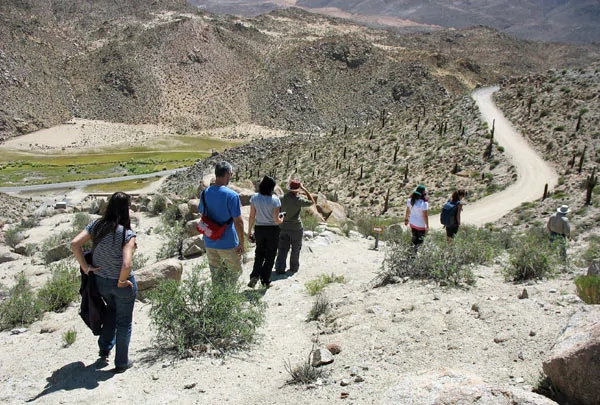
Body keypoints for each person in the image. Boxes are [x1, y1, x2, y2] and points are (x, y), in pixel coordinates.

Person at [71, 191, 137, 373]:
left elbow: (75, 244)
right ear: (126, 210)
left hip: (101, 281)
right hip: (121, 285)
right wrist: (123, 281)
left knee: (111, 311)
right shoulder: (127, 234)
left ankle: (104, 347)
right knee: (124, 322)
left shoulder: (96, 226)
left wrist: (86, 267)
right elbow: (127, 263)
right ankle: (121, 362)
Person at [199, 161, 245, 286]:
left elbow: (202, 214)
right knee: (235, 273)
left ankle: (219, 302)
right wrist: (241, 243)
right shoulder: (232, 195)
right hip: (228, 243)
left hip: (210, 242)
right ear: (226, 174)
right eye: (230, 174)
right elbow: (239, 222)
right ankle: (229, 300)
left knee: (217, 277)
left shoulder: (204, 194)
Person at [247, 176, 283, 288]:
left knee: (259, 253)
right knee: (270, 255)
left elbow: (252, 216)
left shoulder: (254, 198)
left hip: (259, 229)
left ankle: (254, 275)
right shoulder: (275, 200)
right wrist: (282, 219)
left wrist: (249, 232)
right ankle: (265, 280)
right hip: (272, 229)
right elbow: (277, 220)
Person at [274, 180, 316, 274]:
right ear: (298, 190)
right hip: (296, 227)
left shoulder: (281, 198)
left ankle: (280, 268)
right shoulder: (299, 200)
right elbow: (312, 202)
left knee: (282, 248)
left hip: (283, 226)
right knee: (295, 248)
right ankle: (293, 268)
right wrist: (305, 189)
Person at [404, 185, 429, 249]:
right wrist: (427, 225)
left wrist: (406, 219)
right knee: (420, 241)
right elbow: (425, 216)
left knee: (414, 238)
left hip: (412, 223)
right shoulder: (424, 203)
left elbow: (407, 211)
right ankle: (415, 254)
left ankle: (411, 253)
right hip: (420, 224)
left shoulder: (410, 200)